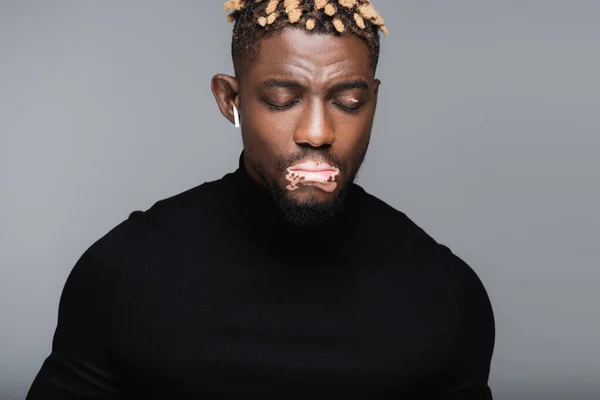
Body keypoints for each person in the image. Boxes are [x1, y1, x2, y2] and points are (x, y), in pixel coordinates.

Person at [27, 1, 495, 398]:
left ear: (373, 100)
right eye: (282, 98)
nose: (318, 132)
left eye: (348, 101)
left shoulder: (445, 292)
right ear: (229, 100)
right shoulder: (123, 271)